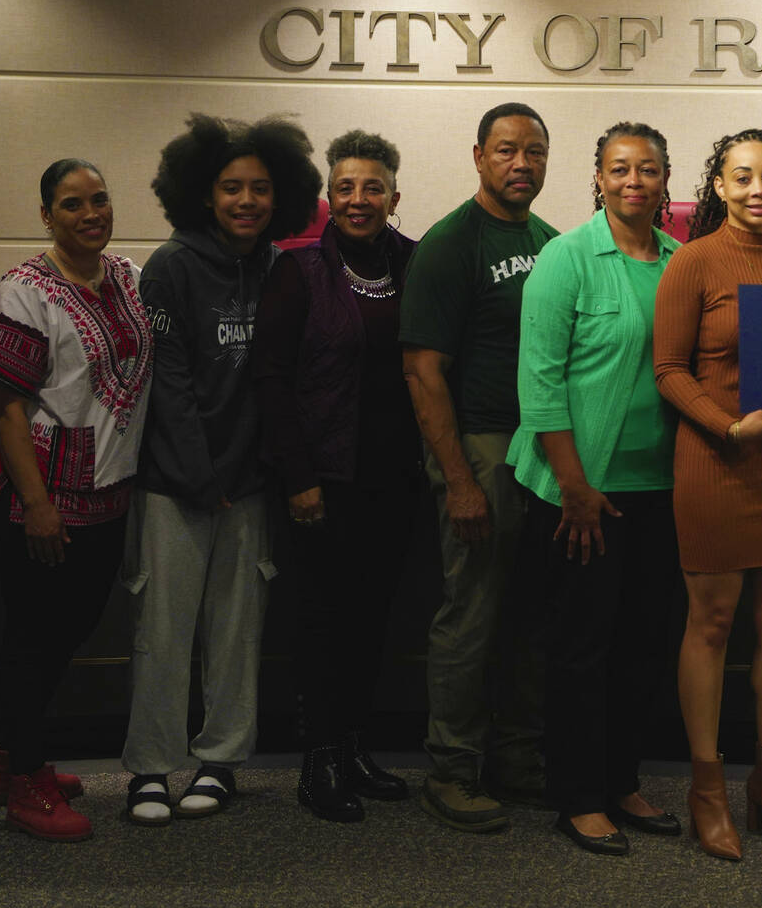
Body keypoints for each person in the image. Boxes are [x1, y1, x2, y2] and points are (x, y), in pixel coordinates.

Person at [118, 115, 318, 825]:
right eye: (231, 188)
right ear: (203, 194)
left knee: (237, 635)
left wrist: (243, 475)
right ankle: (149, 769)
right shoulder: (171, 266)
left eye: (260, 189)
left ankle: (220, 762)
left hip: (250, 486)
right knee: (162, 633)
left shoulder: (281, 269)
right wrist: (203, 474)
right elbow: (166, 384)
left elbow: (282, 380)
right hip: (175, 483)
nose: (246, 201)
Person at [654, 129, 762, 861]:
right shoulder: (694, 261)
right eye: (742, 178)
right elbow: (668, 369)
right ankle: (707, 790)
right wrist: (730, 427)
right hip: (716, 462)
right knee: (712, 625)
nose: (759, 189)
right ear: (719, 187)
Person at [511, 121, 684, 857]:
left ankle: (621, 780)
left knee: (644, 646)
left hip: (659, 489)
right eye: (620, 169)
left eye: (647, 169)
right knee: (581, 648)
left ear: (664, 179)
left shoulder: (682, 261)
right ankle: (577, 796)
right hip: (578, 493)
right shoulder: (565, 257)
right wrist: (575, 487)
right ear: (598, 178)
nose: (634, 181)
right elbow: (540, 383)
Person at [0, 157, 155, 841]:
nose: (91, 215)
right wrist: (37, 503)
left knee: (67, 634)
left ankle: (6, 758)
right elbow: (7, 408)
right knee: (33, 638)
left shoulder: (130, 277)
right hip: (39, 499)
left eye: (100, 200)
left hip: (108, 493)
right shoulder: (21, 292)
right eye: (73, 205)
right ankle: (25, 781)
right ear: (46, 215)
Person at [400, 103, 558, 832]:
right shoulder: (449, 244)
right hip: (482, 450)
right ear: (478, 157)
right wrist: (459, 478)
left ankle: (517, 761)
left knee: (531, 613)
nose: (520, 163)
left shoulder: (554, 243)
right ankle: (452, 770)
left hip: (543, 450)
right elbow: (423, 372)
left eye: (533, 152)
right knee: (472, 616)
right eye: (505, 151)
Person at [253, 130, 419, 822]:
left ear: (393, 196)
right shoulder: (297, 271)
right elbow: (271, 381)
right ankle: (318, 763)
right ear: (329, 197)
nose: (358, 200)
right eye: (346, 188)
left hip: (393, 479)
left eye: (372, 187)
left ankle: (354, 747)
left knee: (370, 622)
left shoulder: (415, 263)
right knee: (320, 624)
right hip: (320, 479)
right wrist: (298, 478)